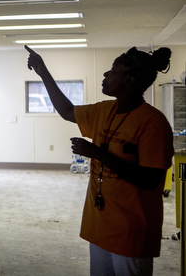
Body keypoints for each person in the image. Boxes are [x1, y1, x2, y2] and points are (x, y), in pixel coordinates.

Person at [25, 45, 174, 276]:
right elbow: (67, 110)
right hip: (100, 226)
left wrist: (97, 153)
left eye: (113, 70)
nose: (106, 75)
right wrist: (43, 71)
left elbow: (150, 179)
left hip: (131, 232)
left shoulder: (153, 123)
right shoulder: (105, 110)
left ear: (130, 79)